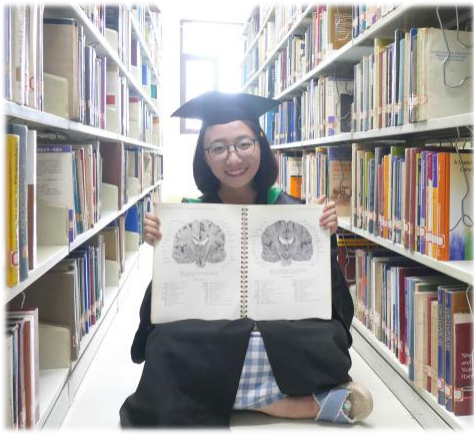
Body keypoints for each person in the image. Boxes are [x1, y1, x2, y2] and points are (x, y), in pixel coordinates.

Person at [120, 92, 373, 434]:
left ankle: (224, 397)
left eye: (243, 144)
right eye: (218, 148)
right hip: (213, 328)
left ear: (260, 145)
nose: (233, 158)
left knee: (326, 338)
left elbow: (334, 306)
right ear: (205, 157)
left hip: (277, 328)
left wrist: (324, 239)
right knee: (167, 344)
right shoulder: (188, 214)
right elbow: (164, 308)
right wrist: (161, 250)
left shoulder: (294, 209)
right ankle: (279, 402)